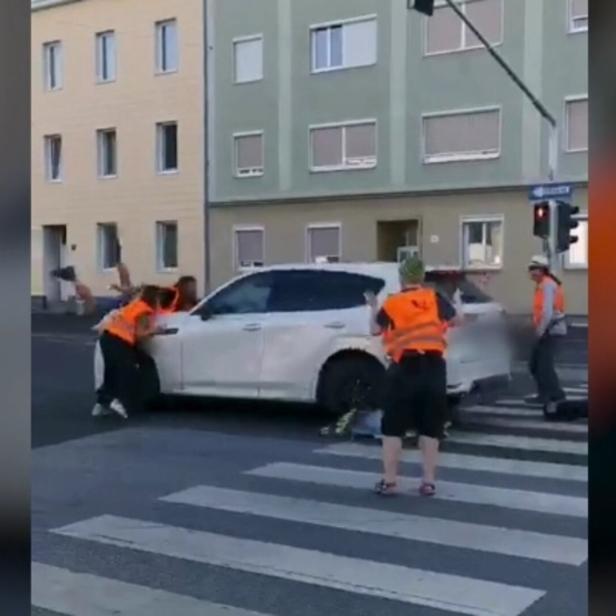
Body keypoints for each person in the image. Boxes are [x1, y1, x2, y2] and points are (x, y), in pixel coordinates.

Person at [366, 256, 457, 497]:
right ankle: (428, 482)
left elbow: (375, 330)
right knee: (430, 427)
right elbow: (457, 320)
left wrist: (373, 306)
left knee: (393, 427)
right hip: (434, 367)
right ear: (422, 277)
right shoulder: (434, 298)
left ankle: (390, 481)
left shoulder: (393, 302)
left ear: (402, 277)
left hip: (404, 368)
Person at [93, 285, 161, 419]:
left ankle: (102, 404)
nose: (159, 302)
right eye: (158, 298)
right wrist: (155, 330)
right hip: (119, 340)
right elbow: (140, 334)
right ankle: (120, 402)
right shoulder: (144, 310)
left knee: (111, 372)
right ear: (154, 298)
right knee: (126, 372)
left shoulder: (136, 305)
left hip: (108, 338)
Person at [525, 255, 567, 415]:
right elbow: (540, 310)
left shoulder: (547, 285)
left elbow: (548, 313)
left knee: (544, 367)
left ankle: (556, 397)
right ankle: (544, 394)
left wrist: (540, 331)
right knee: (535, 365)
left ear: (543, 270)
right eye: (531, 269)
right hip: (546, 330)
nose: (532, 272)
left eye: (535, 269)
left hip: (551, 331)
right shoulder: (542, 285)